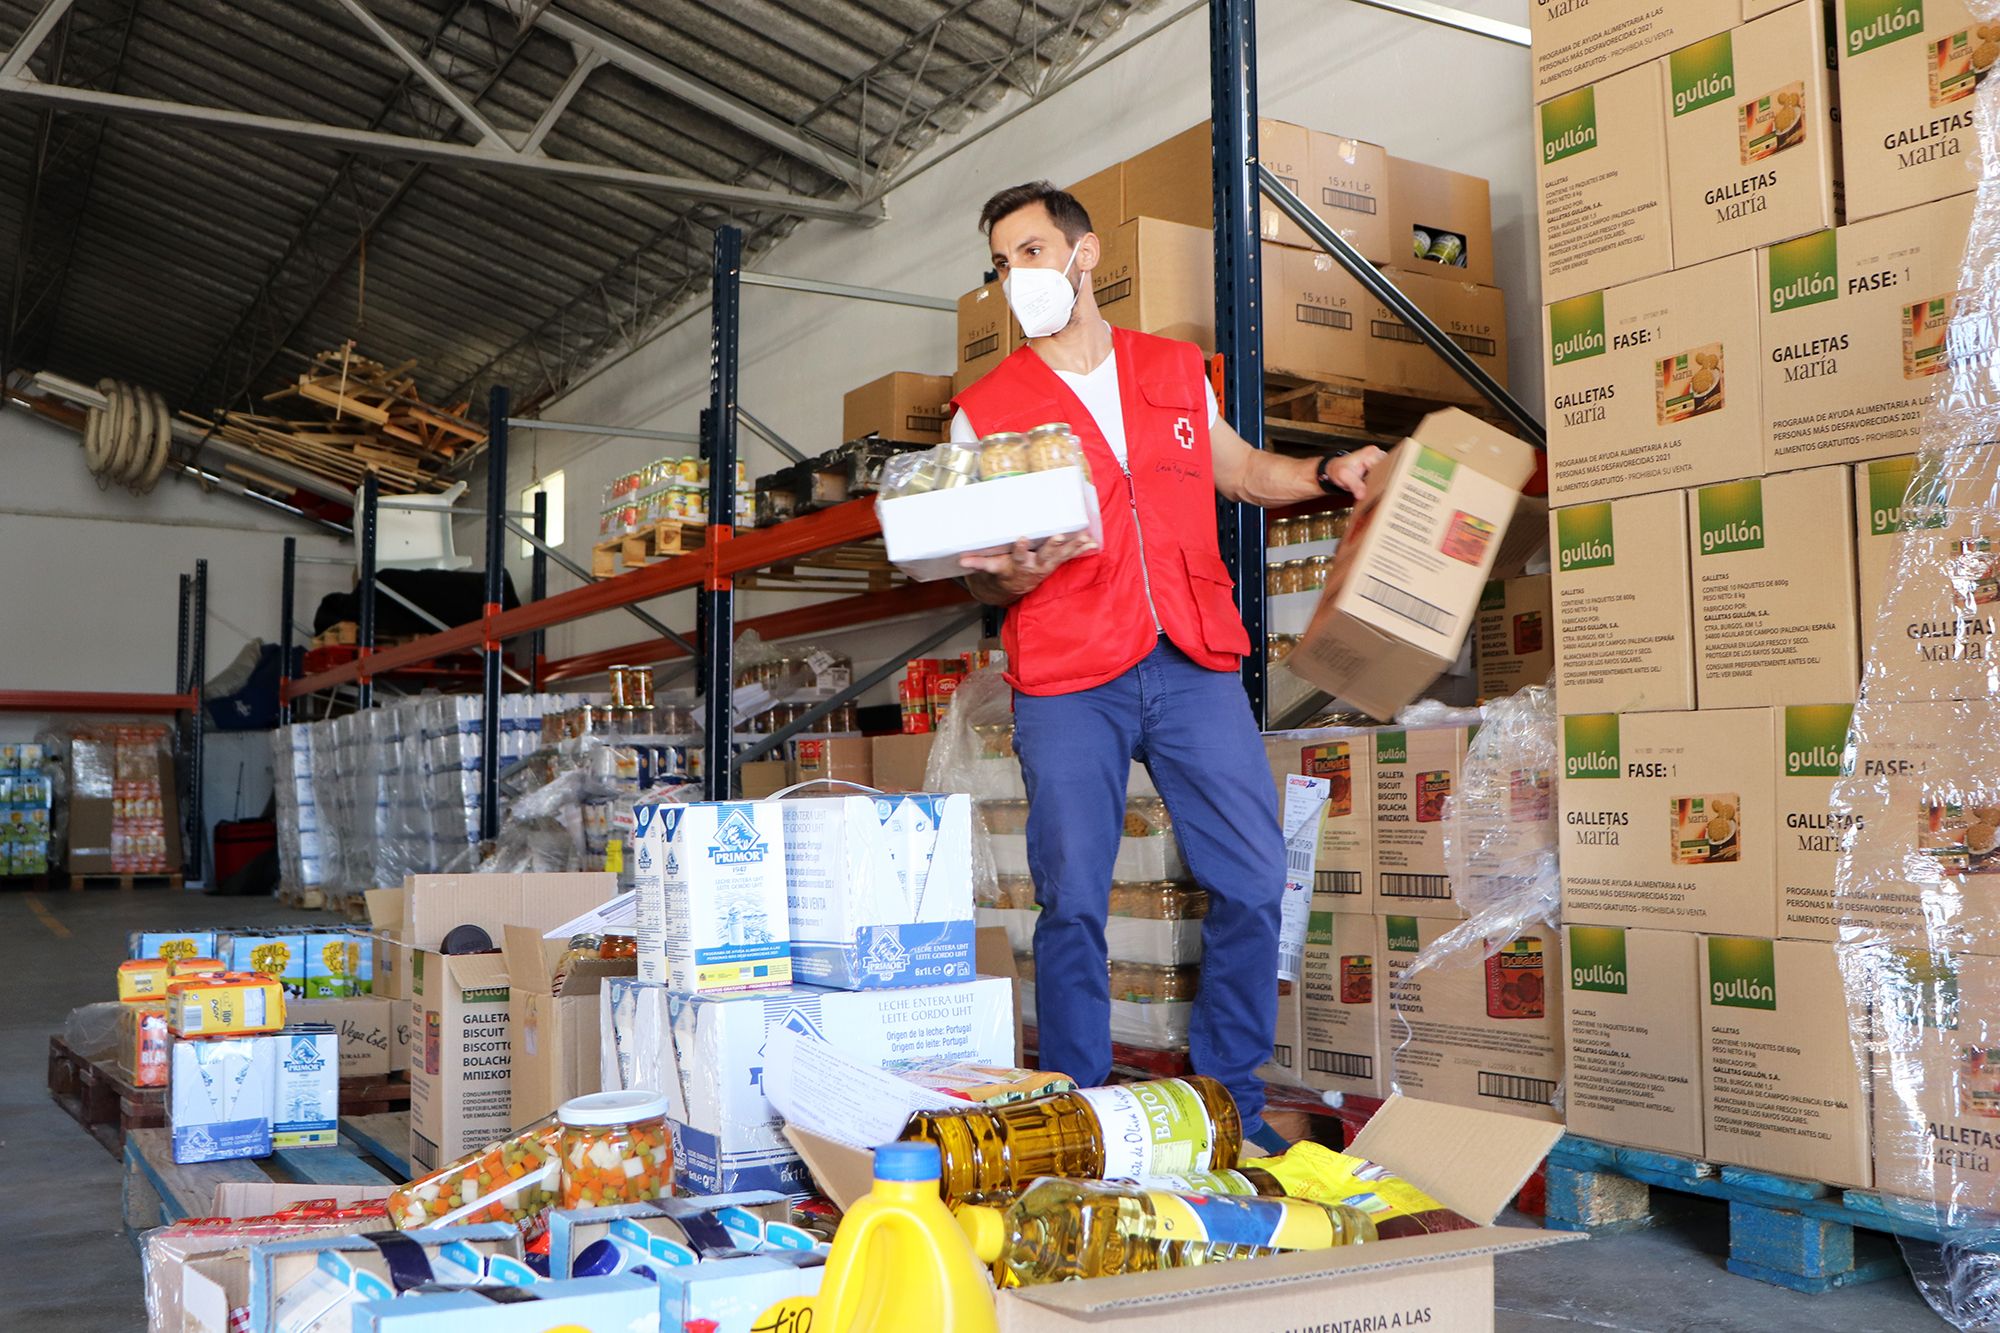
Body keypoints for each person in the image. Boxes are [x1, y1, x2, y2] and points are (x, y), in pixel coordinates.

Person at [951, 182, 1383, 1150]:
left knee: (1252, 875)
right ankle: (1080, 1109)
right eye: (999, 263)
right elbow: (973, 577)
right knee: (1071, 898)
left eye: (1027, 251)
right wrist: (1004, 575)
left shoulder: (1173, 368)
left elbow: (1235, 468)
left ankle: (1224, 1094)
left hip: (1189, 655)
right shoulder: (983, 411)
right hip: (1068, 674)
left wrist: (1324, 472)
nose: (1014, 276)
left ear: (1083, 253)